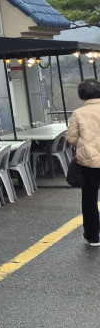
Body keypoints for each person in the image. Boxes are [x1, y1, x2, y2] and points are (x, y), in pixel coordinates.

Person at [66, 78, 100, 247]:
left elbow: (71, 138)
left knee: (89, 199)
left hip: (89, 162)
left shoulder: (78, 113)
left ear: (82, 95)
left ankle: (93, 236)